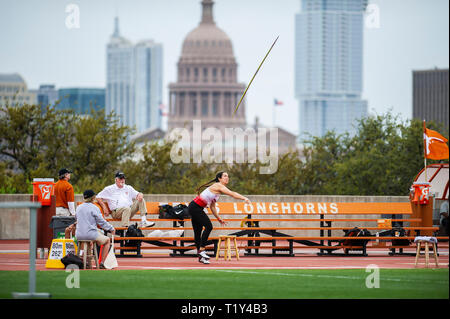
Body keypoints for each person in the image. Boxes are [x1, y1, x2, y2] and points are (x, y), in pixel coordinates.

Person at [188, 171, 250, 264]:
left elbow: (212, 206)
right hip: (195, 207)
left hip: (196, 208)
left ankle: (201, 256)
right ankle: (201, 250)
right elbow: (232, 194)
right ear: (219, 179)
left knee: (198, 232)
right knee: (209, 227)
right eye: (225, 176)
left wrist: (218, 218)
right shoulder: (218, 186)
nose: (227, 178)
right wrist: (244, 198)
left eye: (228, 176)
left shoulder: (218, 192)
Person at [75, 189, 115, 269]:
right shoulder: (94, 208)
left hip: (79, 234)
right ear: (93, 198)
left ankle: (87, 262)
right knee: (107, 240)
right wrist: (111, 228)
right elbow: (101, 222)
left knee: (94, 235)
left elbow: (76, 219)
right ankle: (102, 263)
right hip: (90, 234)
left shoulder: (78, 207)